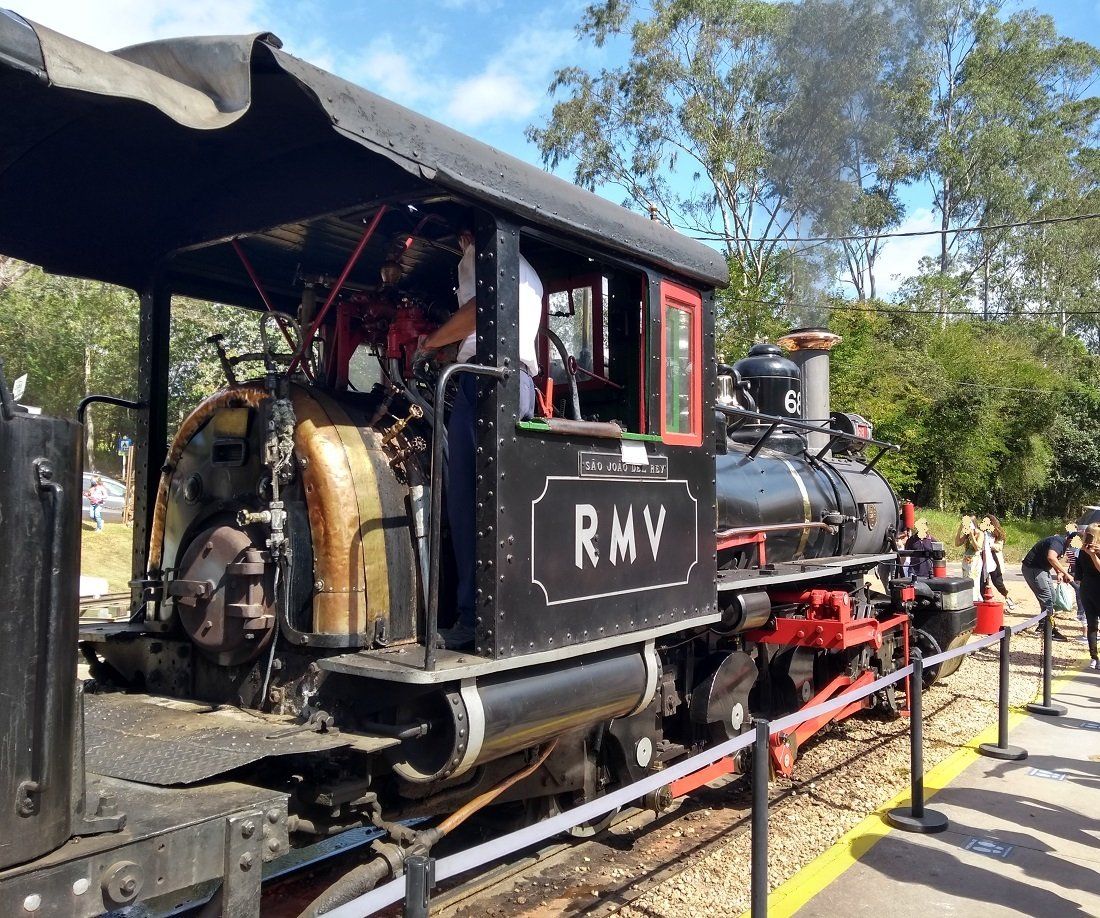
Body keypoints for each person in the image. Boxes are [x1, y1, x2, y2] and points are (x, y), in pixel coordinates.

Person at [417, 226, 541, 650]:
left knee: (467, 503)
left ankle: (473, 617)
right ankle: (506, 609)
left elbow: (478, 310)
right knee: (505, 505)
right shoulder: (530, 272)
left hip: (484, 381)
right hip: (518, 382)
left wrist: (430, 342)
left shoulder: (479, 253)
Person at [1020, 530, 1073, 642]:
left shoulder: (1061, 543)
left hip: (1042, 569)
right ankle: (1049, 630)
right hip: (1033, 569)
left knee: (1052, 597)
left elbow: (1052, 558)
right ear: (1070, 540)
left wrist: (1058, 572)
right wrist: (1066, 573)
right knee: (1047, 599)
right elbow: (1051, 557)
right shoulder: (1058, 542)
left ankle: (1042, 625)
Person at [1074, 523, 1100, 669]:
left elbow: (1078, 575)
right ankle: (1095, 658)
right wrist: (1093, 555)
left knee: (1092, 625)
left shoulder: (1081, 551)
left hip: (1086, 588)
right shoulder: (1092, 551)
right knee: (1092, 624)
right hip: (1096, 588)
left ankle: (1094, 658)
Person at [980, 515, 1016, 610]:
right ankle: (984, 603)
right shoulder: (981, 532)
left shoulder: (997, 533)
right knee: (982, 582)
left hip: (993, 558)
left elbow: (999, 547)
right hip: (982, 558)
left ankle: (1007, 596)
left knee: (997, 582)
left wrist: (989, 545)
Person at [955, 515, 983, 602]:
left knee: (973, 581)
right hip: (966, 560)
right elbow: (957, 543)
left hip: (975, 560)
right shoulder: (966, 535)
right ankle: (967, 599)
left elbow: (977, 548)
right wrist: (960, 529)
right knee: (965, 581)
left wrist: (972, 535)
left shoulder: (980, 533)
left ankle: (975, 599)